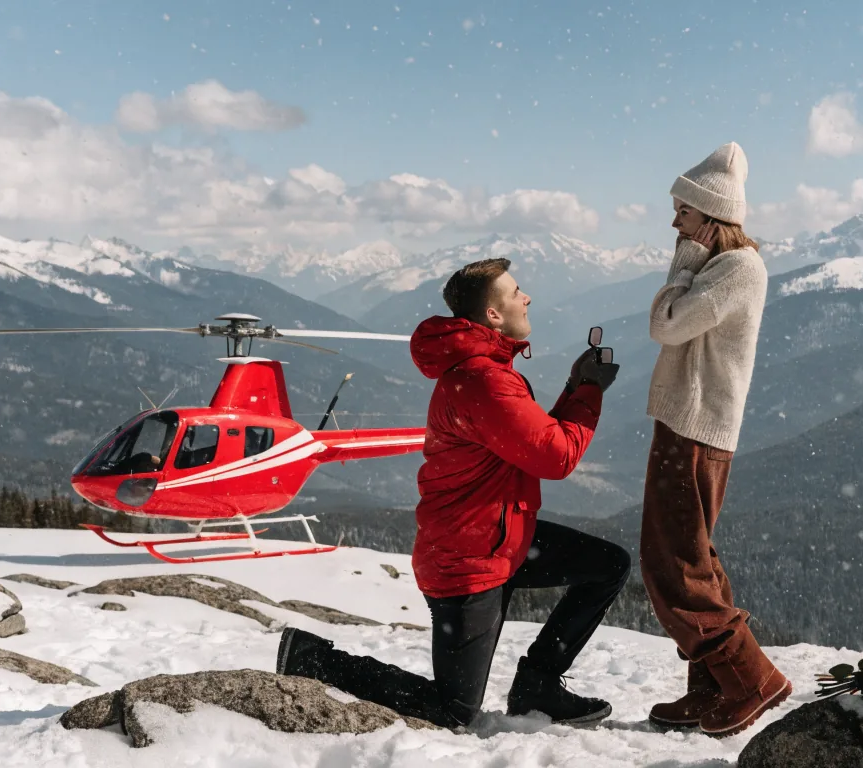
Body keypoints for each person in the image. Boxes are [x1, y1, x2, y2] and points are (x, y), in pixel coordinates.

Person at [275, 257, 627, 729]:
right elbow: (556, 457)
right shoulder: (483, 378)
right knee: (453, 710)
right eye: (516, 292)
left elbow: (534, 440)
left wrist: (575, 387)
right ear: (493, 315)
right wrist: (588, 391)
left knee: (608, 565)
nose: (527, 297)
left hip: (500, 538)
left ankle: (538, 686)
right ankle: (313, 660)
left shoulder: (485, 370)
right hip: (469, 557)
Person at [640, 141, 789, 737]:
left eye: (683, 211)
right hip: (688, 425)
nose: (675, 223)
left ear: (711, 215)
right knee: (692, 554)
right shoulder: (718, 266)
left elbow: (665, 325)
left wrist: (683, 263)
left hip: (695, 430)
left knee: (674, 564)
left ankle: (752, 679)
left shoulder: (736, 269)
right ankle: (713, 684)